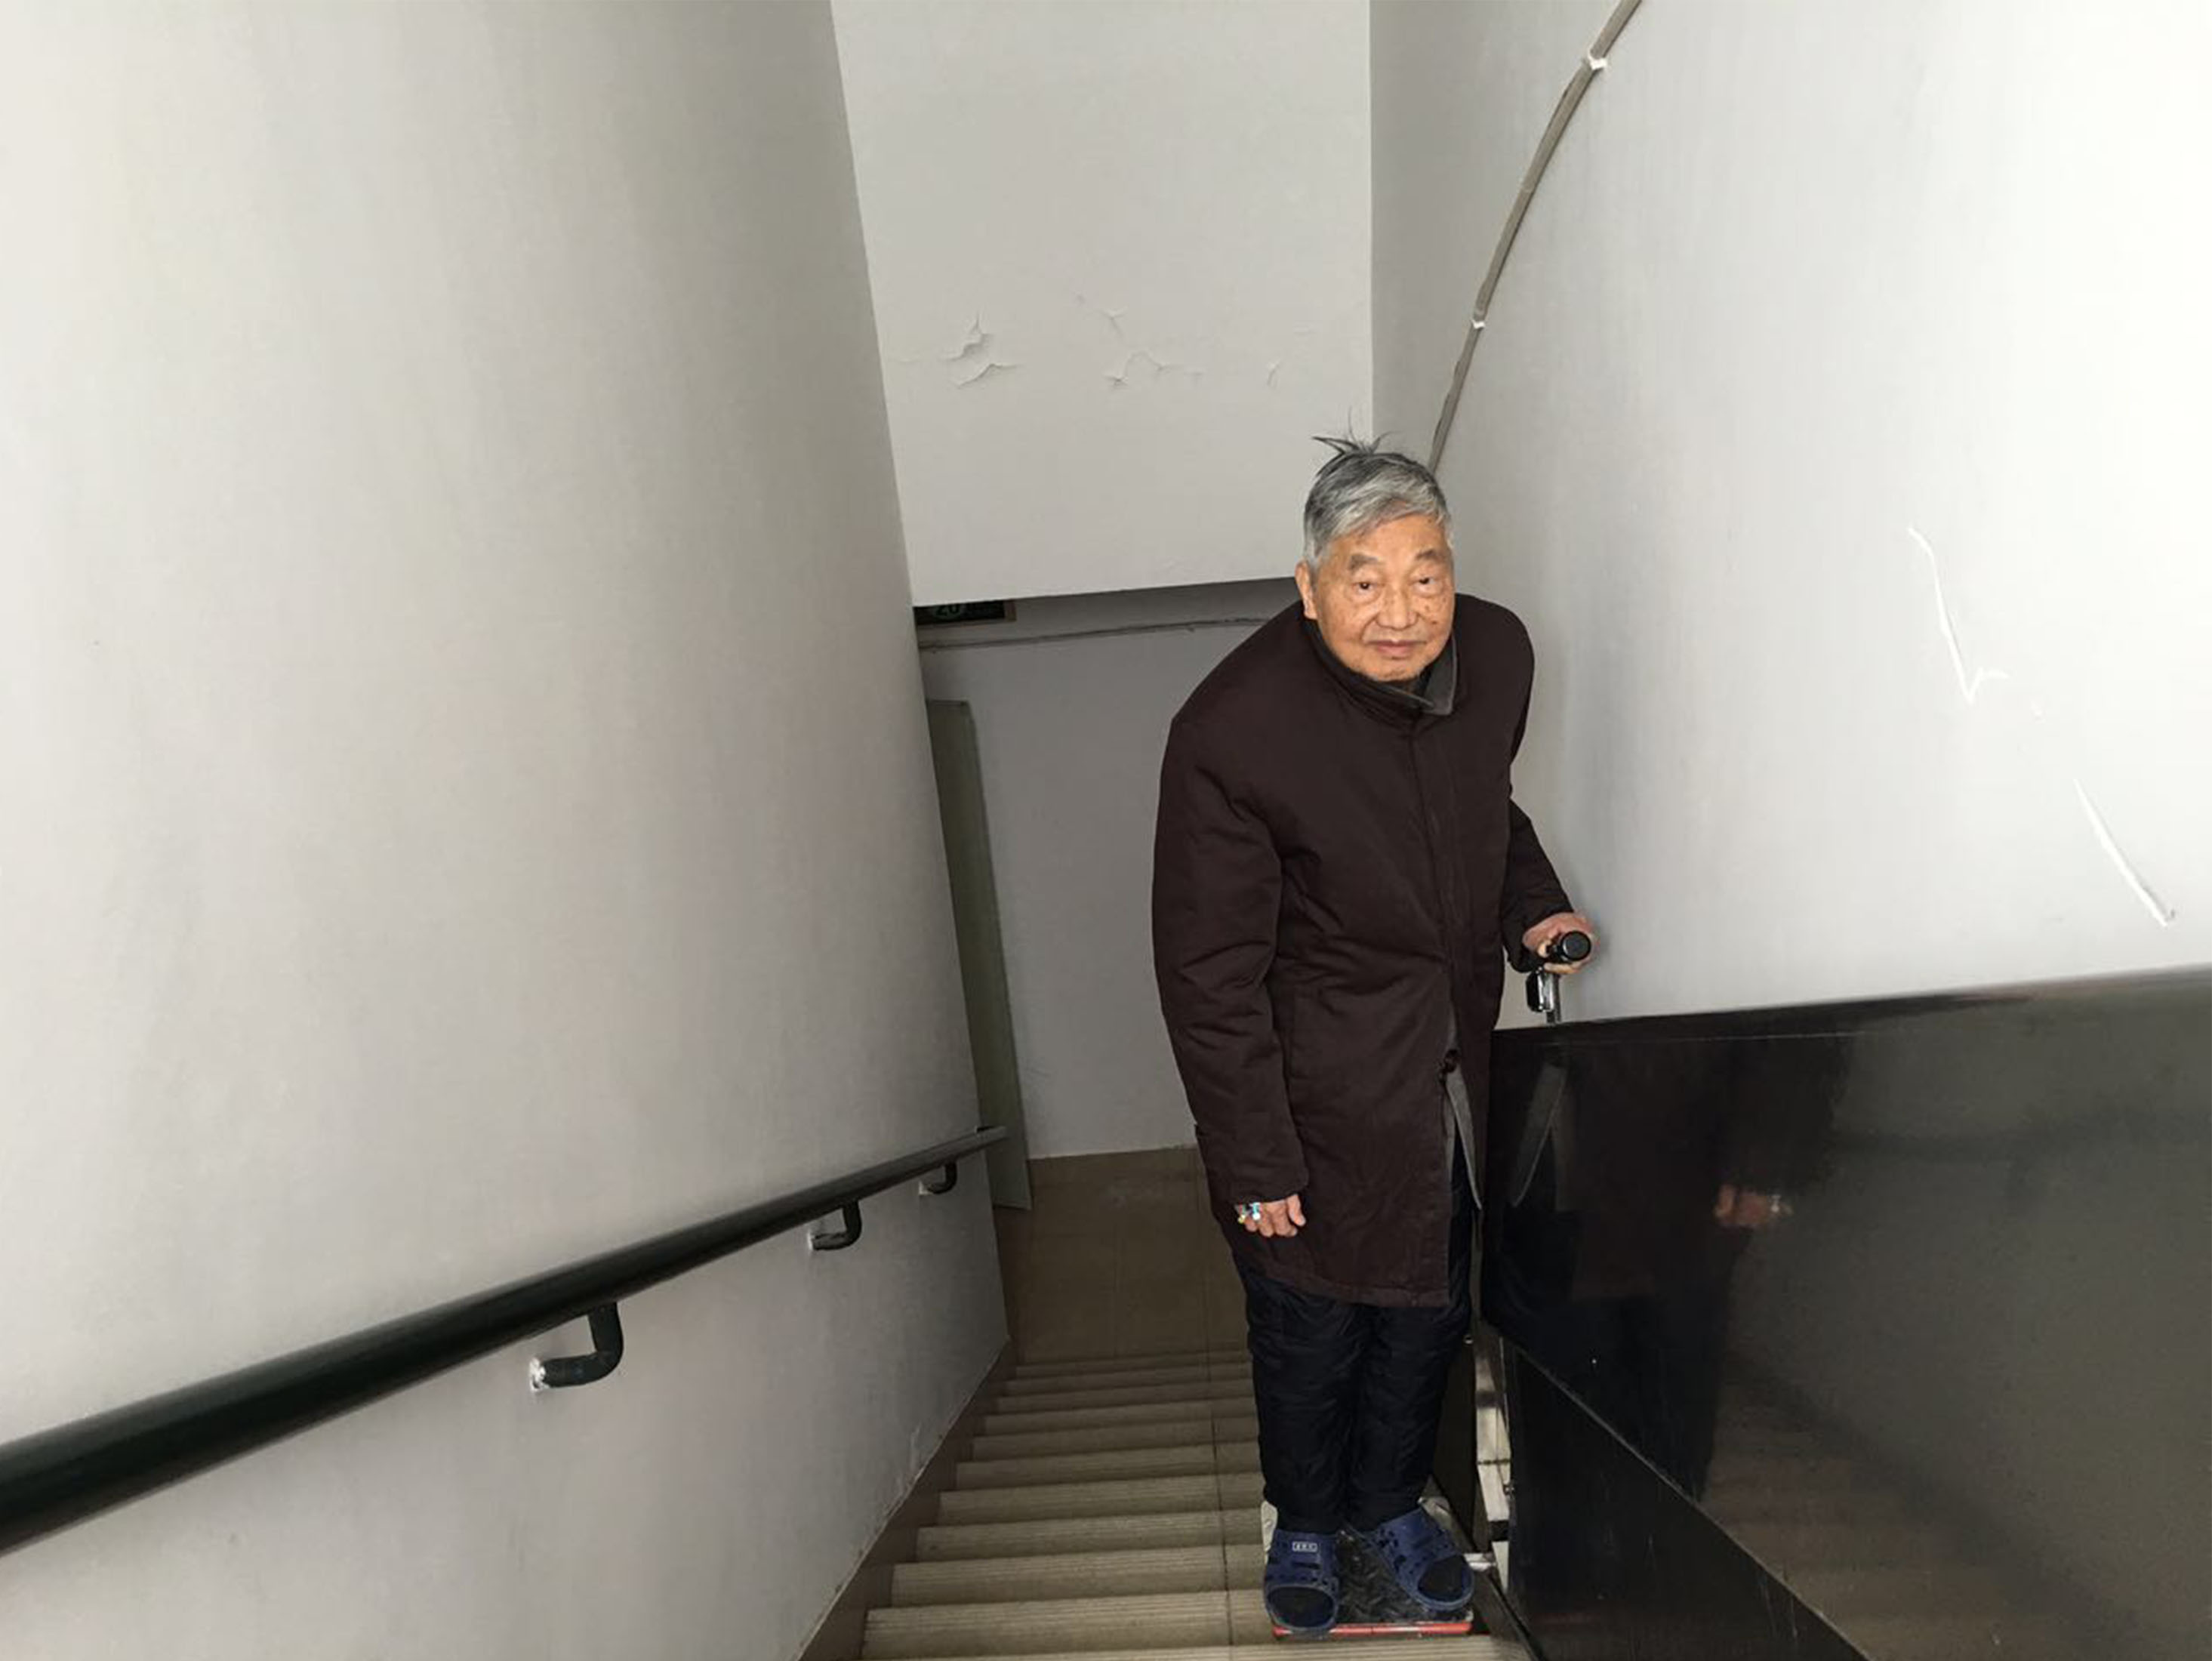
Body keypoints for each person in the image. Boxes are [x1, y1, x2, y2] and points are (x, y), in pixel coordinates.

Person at [1151, 438, 1594, 1633]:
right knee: (1311, 1323)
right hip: (1312, 1091)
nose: (1401, 613)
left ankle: (1392, 1505)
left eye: (1424, 575)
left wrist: (1532, 908)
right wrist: (1253, 1159)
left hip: (1449, 1071)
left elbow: (1486, 807)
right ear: (1308, 587)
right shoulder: (1231, 731)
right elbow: (1207, 974)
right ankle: (1304, 1522)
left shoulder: (1495, 655)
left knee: (1426, 1308)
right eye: (1364, 579)